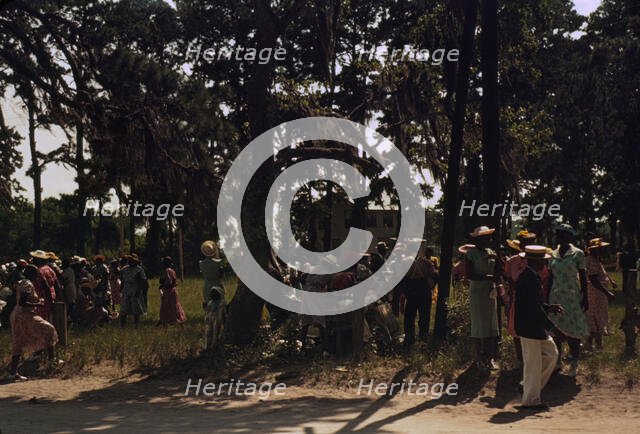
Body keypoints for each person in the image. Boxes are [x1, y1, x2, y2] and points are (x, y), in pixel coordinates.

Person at [514, 245, 564, 410]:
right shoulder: (528, 278)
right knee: (533, 363)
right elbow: (534, 308)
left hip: (532, 326)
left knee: (551, 355)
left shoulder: (531, 277)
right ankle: (530, 400)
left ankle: (527, 386)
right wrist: (552, 326)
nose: (544, 263)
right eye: (542, 260)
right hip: (529, 327)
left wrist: (548, 307)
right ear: (534, 261)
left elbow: (535, 304)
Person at [548, 223, 589, 377]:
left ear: (570, 236)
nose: (562, 237)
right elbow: (551, 277)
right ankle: (557, 361)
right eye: (559, 234)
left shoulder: (578, 254)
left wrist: (586, 297)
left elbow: (583, 277)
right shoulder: (552, 254)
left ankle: (574, 362)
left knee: (573, 331)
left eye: (565, 234)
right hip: (556, 296)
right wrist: (547, 298)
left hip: (572, 297)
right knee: (557, 329)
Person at [9, 265, 59, 381]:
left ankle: (13, 372)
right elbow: (22, 302)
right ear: (32, 274)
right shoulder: (28, 284)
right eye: (36, 274)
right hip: (24, 315)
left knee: (18, 343)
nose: (37, 276)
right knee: (49, 329)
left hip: (16, 315)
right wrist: (38, 304)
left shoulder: (22, 282)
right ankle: (52, 360)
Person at [465, 226, 500, 368]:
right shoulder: (470, 254)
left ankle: (490, 357)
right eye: (487, 237)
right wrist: (490, 277)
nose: (490, 240)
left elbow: (498, 270)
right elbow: (470, 275)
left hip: (490, 292)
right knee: (479, 326)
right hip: (478, 293)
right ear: (479, 239)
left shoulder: (491, 252)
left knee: (492, 325)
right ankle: (479, 357)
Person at [504, 230, 539, 364]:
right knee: (517, 329)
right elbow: (508, 278)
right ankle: (521, 360)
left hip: (536, 298)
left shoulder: (539, 259)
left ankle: (535, 358)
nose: (528, 245)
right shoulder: (513, 260)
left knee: (535, 328)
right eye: (525, 243)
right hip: (518, 298)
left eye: (530, 243)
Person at [402, 246, 438, 350]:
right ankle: (423, 339)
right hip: (424, 291)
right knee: (424, 316)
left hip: (411, 290)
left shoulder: (405, 262)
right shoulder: (426, 262)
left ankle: (409, 338)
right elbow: (435, 275)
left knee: (409, 316)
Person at [585, 238, 616, 350]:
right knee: (596, 317)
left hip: (598, 293)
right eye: (601, 248)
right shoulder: (591, 261)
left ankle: (592, 343)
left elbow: (603, 274)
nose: (603, 250)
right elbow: (593, 279)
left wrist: (611, 281)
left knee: (598, 316)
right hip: (595, 293)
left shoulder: (596, 259)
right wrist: (607, 293)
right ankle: (596, 344)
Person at [30, 250, 60, 321]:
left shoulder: (39, 271)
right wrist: (57, 298)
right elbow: (57, 284)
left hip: (43, 299)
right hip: (51, 297)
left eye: (34, 258)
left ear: (38, 260)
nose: (33, 260)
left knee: (42, 320)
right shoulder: (49, 269)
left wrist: (49, 301)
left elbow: (45, 286)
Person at [119, 254, 147, 327]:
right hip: (126, 289)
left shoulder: (139, 269)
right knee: (123, 308)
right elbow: (122, 280)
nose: (131, 262)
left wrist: (139, 290)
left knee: (135, 308)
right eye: (129, 261)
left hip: (135, 289)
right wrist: (121, 289)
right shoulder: (124, 269)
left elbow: (142, 281)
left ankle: (136, 325)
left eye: (132, 261)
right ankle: (122, 325)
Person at [158, 256, 187, 325]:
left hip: (167, 291)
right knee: (175, 306)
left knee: (166, 306)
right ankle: (178, 320)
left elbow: (168, 282)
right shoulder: (172, 271)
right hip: (173, 291)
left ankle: (166, 321)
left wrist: (162, 286)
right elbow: (174, 282)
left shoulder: (166, 271)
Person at [61, 257, 78, 324]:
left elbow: (64, 279)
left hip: (69, 287)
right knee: (70, 304)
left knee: (71, 304)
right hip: (71, 287)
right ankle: (71, 318)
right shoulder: (70, 269)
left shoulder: (67, 270)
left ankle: (74, 319)